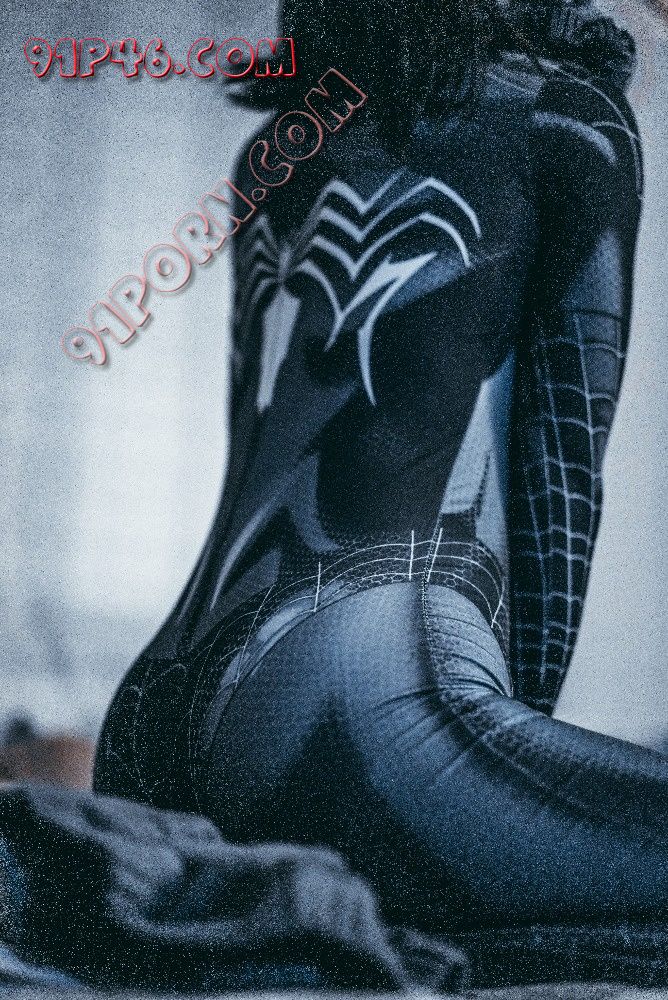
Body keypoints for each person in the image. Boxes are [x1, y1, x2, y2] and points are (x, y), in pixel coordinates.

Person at [94, 0, 668, 946]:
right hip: (354, 701)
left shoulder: (278, 147)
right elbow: (560, 482)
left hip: (151, 723)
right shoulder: (569, 120)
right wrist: (502, 744)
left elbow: (259, 442)